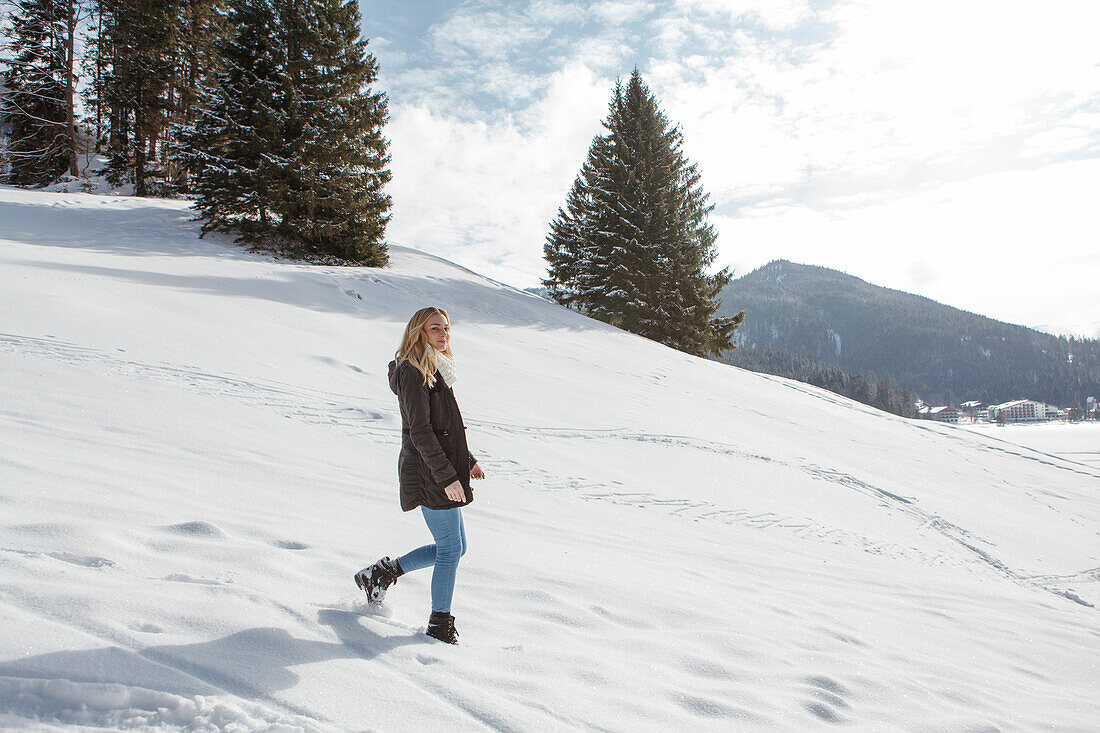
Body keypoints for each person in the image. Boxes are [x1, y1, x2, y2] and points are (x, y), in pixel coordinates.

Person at [355, 307, 486, 644]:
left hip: (440, 469)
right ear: (418, 332)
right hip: (429, 472)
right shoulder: (413, 372)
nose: (443, 335)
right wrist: (446, 477)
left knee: (457, 548)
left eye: (446, 329)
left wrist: (466, 460)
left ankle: (383, 573)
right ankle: (439, 625)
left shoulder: (435, 367)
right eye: (435, 329)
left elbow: (446, 428)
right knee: (450, 550)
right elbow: (421, 433)